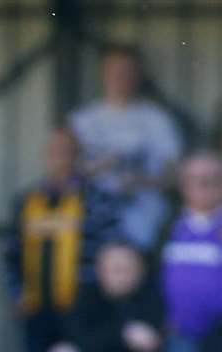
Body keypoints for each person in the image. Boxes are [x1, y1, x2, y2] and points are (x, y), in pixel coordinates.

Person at [6, 128, 118, 352]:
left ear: (78, 156)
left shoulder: (96, 200)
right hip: (37, 307)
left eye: (66, 152)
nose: (59, 159)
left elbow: (108, 252)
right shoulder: (28, 200)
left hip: (81, 309)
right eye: (53, 152)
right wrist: (17, 292)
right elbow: (11, 252)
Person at [68, 44, 184, 250]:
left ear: (138, 75)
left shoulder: (157, 119)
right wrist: (99, 166)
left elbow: (175, 174)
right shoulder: (81, 121)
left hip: (146, 222)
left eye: (128, 71)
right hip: (92, 223)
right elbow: (65, 174)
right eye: (115, 70)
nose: (122, 77)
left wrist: (145, 181)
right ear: (103, 73)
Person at [46, 243, 163, 352]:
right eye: (114, 269)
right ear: (99, 270)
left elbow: (150, 344)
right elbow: (76, 341)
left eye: (125, 269)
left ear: (140, 271)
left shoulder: (152, 298)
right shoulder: (86, 297)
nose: (120, 276)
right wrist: (121, 335)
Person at [159, 151, 222, 352]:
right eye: (196, 179)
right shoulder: (167, 225)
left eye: (213, 179)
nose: (204, 186)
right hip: (179, 335)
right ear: (182, 185)